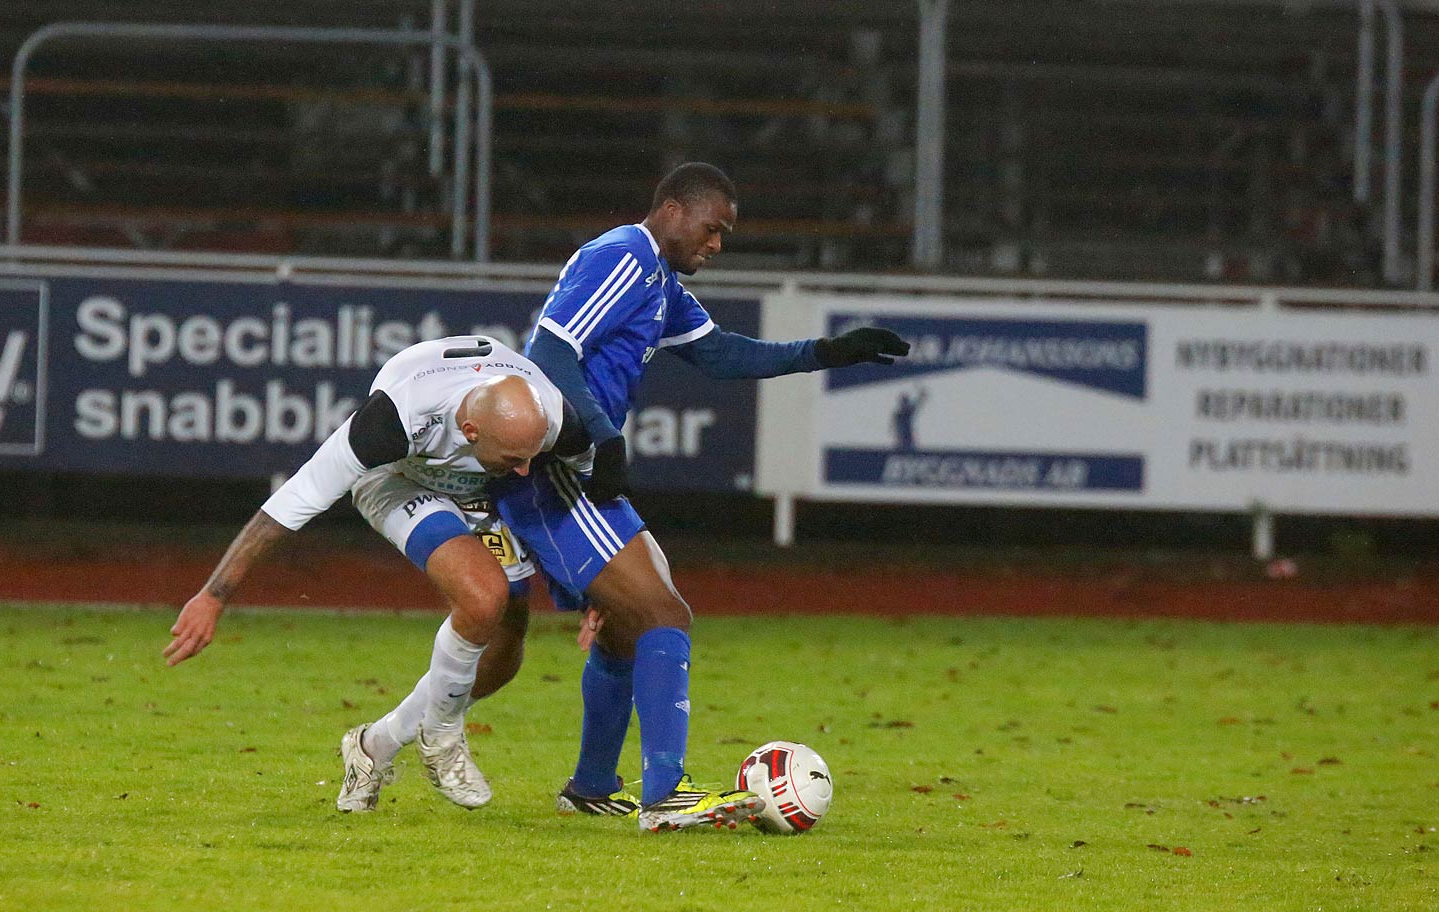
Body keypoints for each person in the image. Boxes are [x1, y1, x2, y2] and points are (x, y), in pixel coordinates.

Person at [492, 161, 910, 832]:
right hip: (554, 467)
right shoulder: (625, 255)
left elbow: (721, 354)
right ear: (674, 211)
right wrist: (605, 437)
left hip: (575, 462)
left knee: (636, 619)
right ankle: (665, 794)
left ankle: (593, 785)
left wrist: (829, 352)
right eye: (714, 230)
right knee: (664, 614)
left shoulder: (658, 280)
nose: (716, 246)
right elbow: (551, 350)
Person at [163, 334, 588, 814]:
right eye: (516, 458)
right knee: (482, 597)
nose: (526, 468)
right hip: (397, 479)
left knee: (504, 653)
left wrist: (595, 594)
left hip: (479, 493)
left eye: (532, 454)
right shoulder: (393, 419)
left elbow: (588, 495)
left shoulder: (551, 417)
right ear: (469, 430)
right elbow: (291, 502)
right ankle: (442, 738)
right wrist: (213, 596)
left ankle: (374, 748)